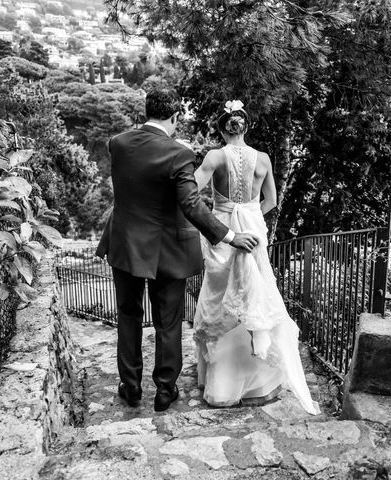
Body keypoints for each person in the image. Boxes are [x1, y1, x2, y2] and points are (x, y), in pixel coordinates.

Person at [96, 89, 259, 412]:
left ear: (147, 111)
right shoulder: (178, 154)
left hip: (125, 244)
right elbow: (190, 203)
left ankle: (130, 387)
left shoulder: (118, 143)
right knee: (167, 322)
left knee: (128, 317)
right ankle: (164, 391)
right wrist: (228, 236)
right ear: (174, 117)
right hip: (165, 249)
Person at [192, 100, 319, 414]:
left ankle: (222, 382)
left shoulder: (214, 157)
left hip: (224, 234)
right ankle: (258, 379)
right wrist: (249, 216)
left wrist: (226, 219)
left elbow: (190, 193)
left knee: (221, 297)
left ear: (222, 128)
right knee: (255, 295)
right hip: (253, 233)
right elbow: (271, 200)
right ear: (244, 126)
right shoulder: (262, 159)